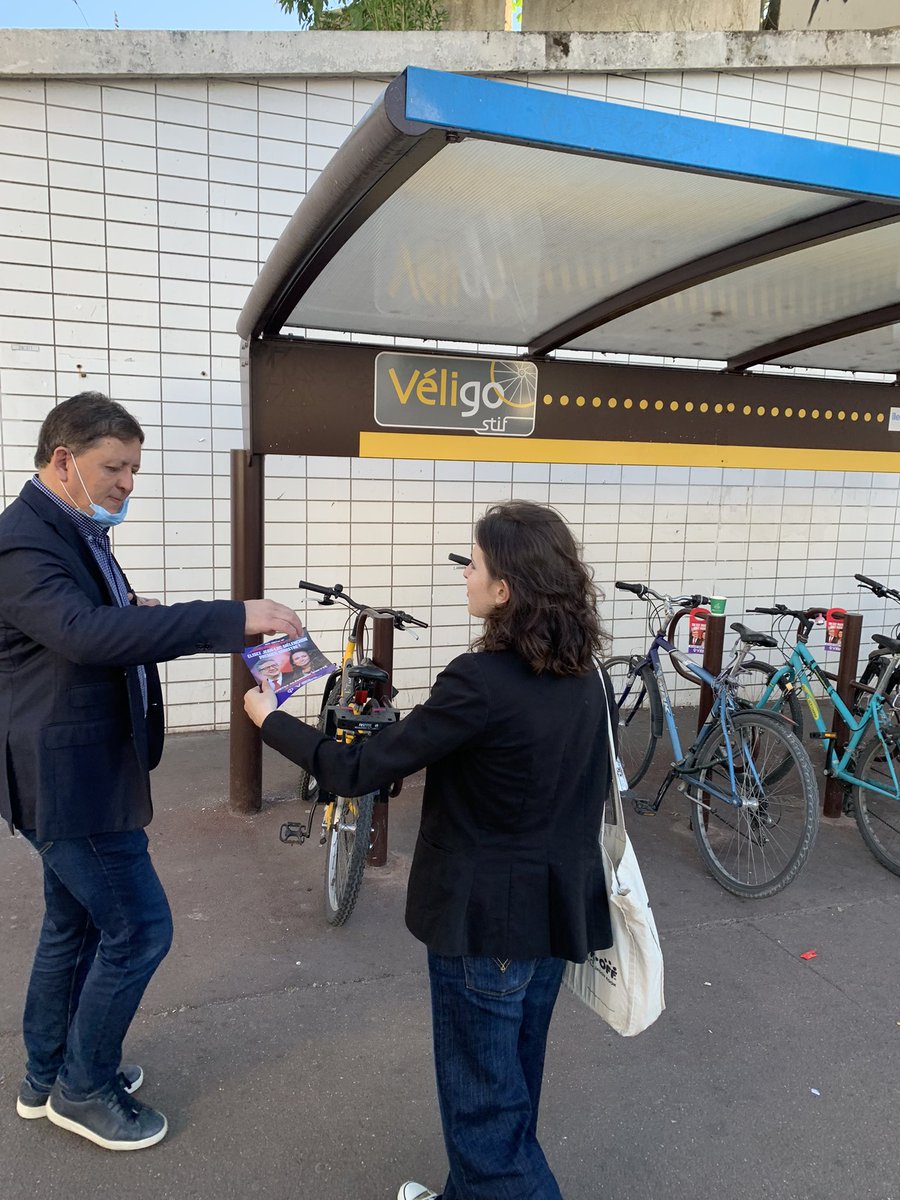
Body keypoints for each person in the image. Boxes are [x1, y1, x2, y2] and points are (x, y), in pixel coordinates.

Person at [245, 500, 614, 1200]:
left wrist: (270, 719)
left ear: (505, 589)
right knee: (508, 1091)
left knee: (487, 1123)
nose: (464, 575)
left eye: (473, 564)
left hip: (484, 925)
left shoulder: (479, 682)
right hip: (553, 914)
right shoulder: (586, 674)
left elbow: (357, 770)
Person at [0, 391, 302, 1152]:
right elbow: (82, 632)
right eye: (115, 467)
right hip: (70, 782)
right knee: (139, 929)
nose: (127, 483)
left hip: (77, 769)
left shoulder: (69, 527)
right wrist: (231, 616)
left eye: (134, 468)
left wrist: (134, 608)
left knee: (73, 924)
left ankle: (48, 1074)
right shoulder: (23, 543)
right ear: (64, 460)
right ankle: (83, 1089)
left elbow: (86, 624)